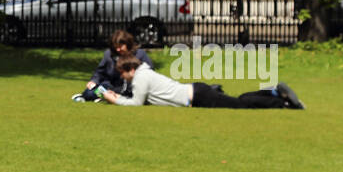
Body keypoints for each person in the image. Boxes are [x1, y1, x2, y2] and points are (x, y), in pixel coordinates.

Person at [101, 55, 304, 109]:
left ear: (130, 70)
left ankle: (280, 101)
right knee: (239, 100)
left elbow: (137, 102)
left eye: (122, 73)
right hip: (196, 92)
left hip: (197, 97)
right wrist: (118, 96)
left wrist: (115, 100)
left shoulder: (141, 77)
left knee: (241, 104)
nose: (121, 77)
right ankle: (272, 93)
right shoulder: (144, 73)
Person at [73, 29, 154, 103]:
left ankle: (108, 98)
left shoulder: (140, 54)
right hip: (111, 86)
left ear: (128, 44)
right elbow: (100, 71)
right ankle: (86, 97)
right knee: (90, 92)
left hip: (133, 87)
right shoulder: (108, 55)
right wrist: (94, 81)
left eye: (120, 46)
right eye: (116, 47)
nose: (118, 50)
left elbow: (149, 72)